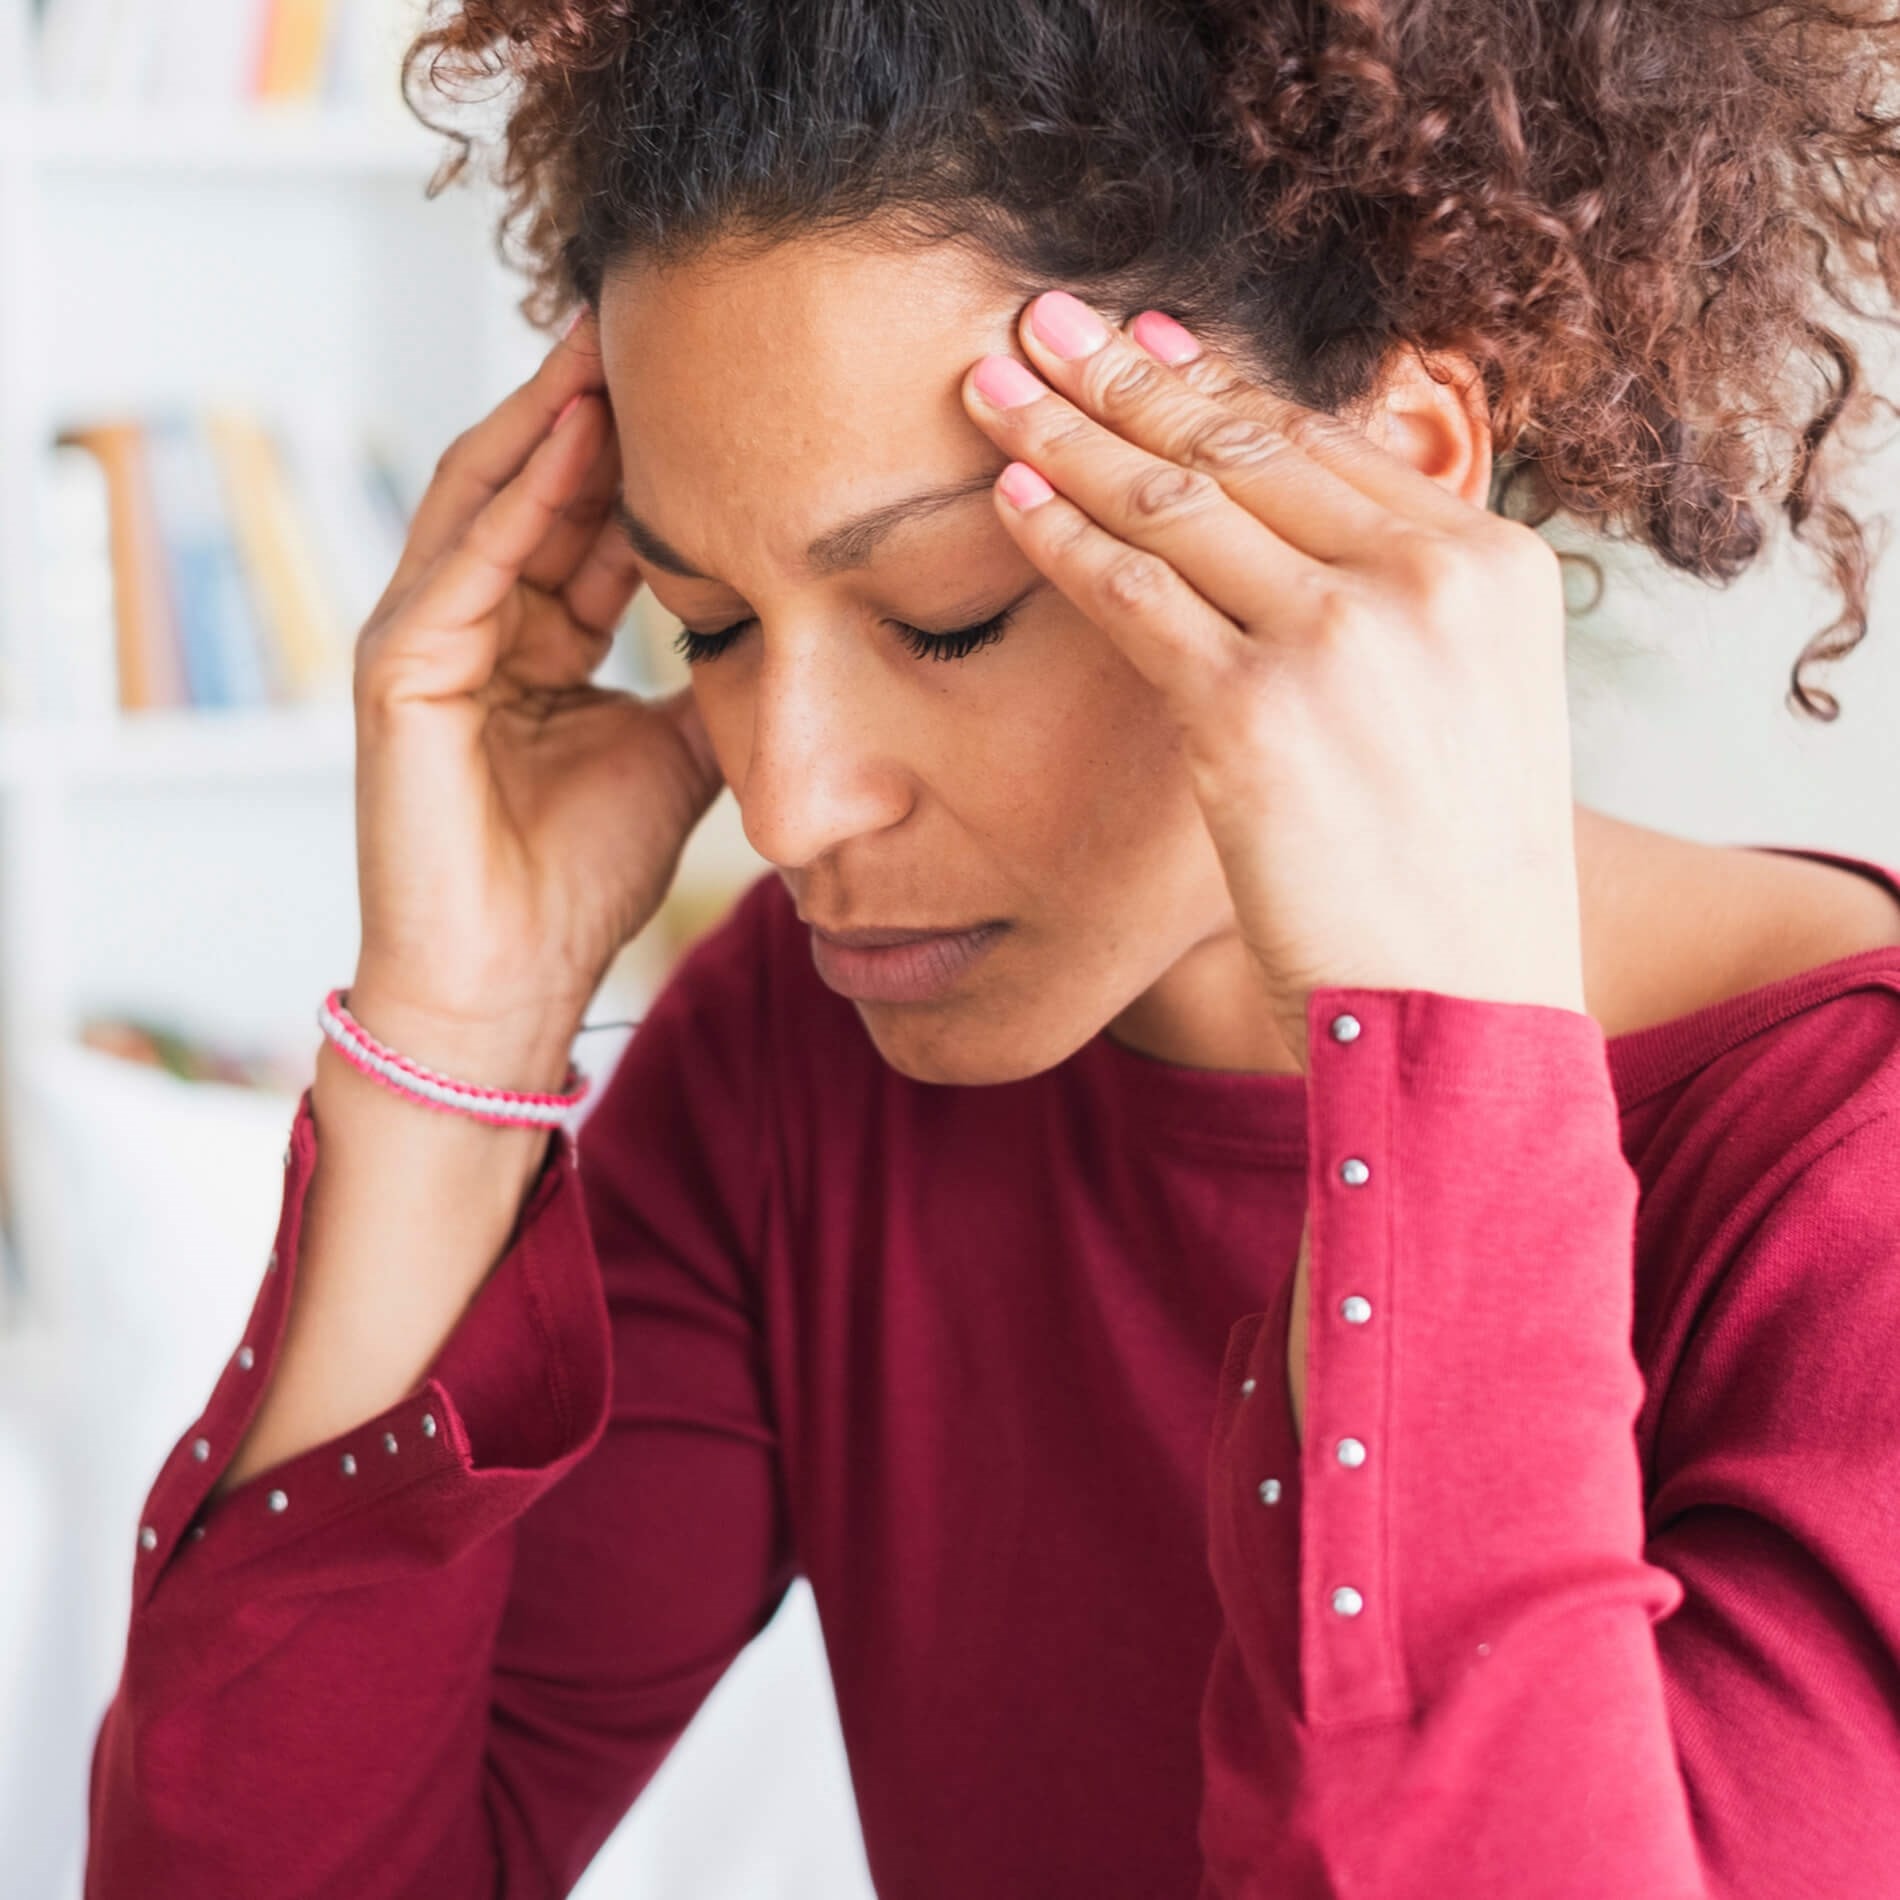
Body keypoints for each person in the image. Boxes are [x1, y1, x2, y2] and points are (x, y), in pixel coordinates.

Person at [84, 1, 1900, 1895]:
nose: (786, 809)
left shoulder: (1842, 1194)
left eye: (947, 619)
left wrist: (1432, 1066)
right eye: (707, 627)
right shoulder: (806, 1058)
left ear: (1404, 480)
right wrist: (454, 1041)